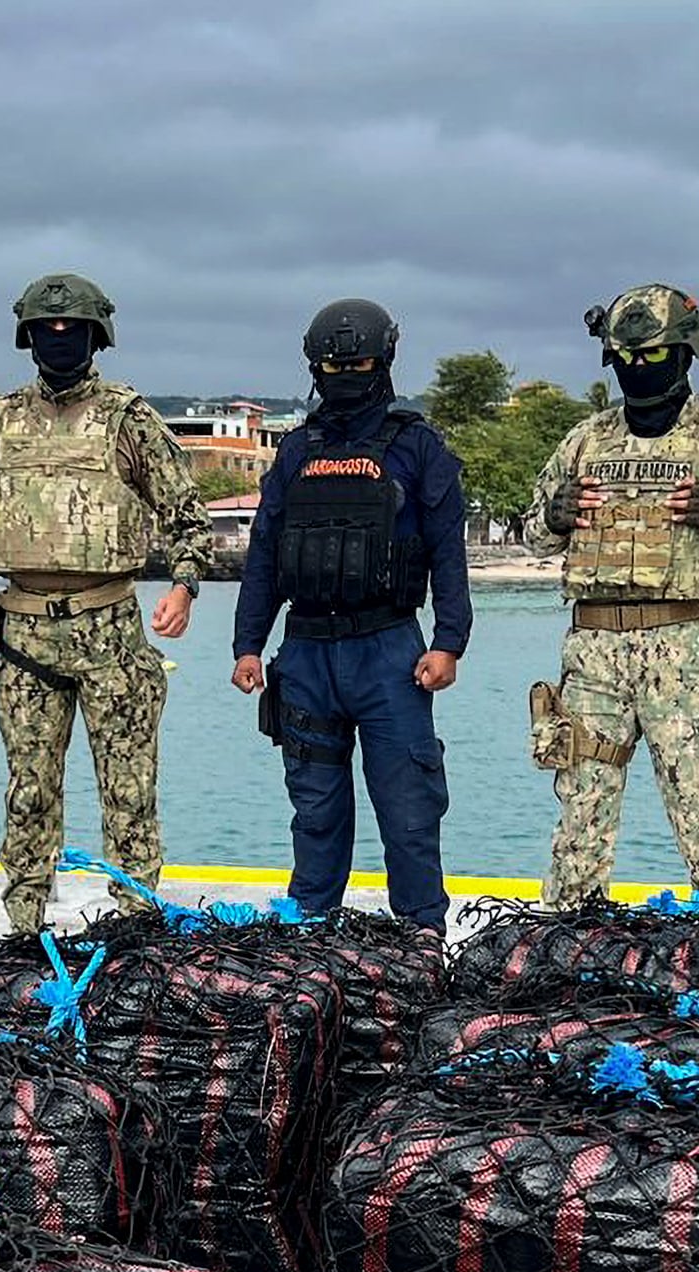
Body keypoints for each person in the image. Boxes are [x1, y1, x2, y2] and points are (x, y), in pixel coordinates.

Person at [0, 272, 211, 934]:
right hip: (26, 632)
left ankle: (135, 920)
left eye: (72, 331)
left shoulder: (129, 418)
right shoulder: (2, 420)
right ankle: (25, 922)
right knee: (27, 790)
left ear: (97, 337)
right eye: (47, 331)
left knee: (127, 789)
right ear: (27, 338)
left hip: (109, 627)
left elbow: (185, 512)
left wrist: (184, 584)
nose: (59, 341)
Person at [524, 283, 699, 906]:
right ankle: (566, 932)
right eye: (625, 358)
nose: (638, 369)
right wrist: (556, 514)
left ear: (685, 354)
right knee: (580, 804)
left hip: (684, 646)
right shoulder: (584, 440)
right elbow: (533, 532)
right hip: (593, 648)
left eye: (652, 356)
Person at [229, 297, 471, 930]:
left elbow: (448, 550)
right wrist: (247, 644)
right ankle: (311, 938)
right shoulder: (295, 450)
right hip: (305, 653)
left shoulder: (417, 447)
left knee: (409, 809)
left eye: (358, 361)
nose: (345, 374)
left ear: (384, 359)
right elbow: (264, 551)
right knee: (315, 812)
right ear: (314, 367)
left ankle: (421, 940)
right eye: (331, 365)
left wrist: (449, 643)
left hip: (390, 652)